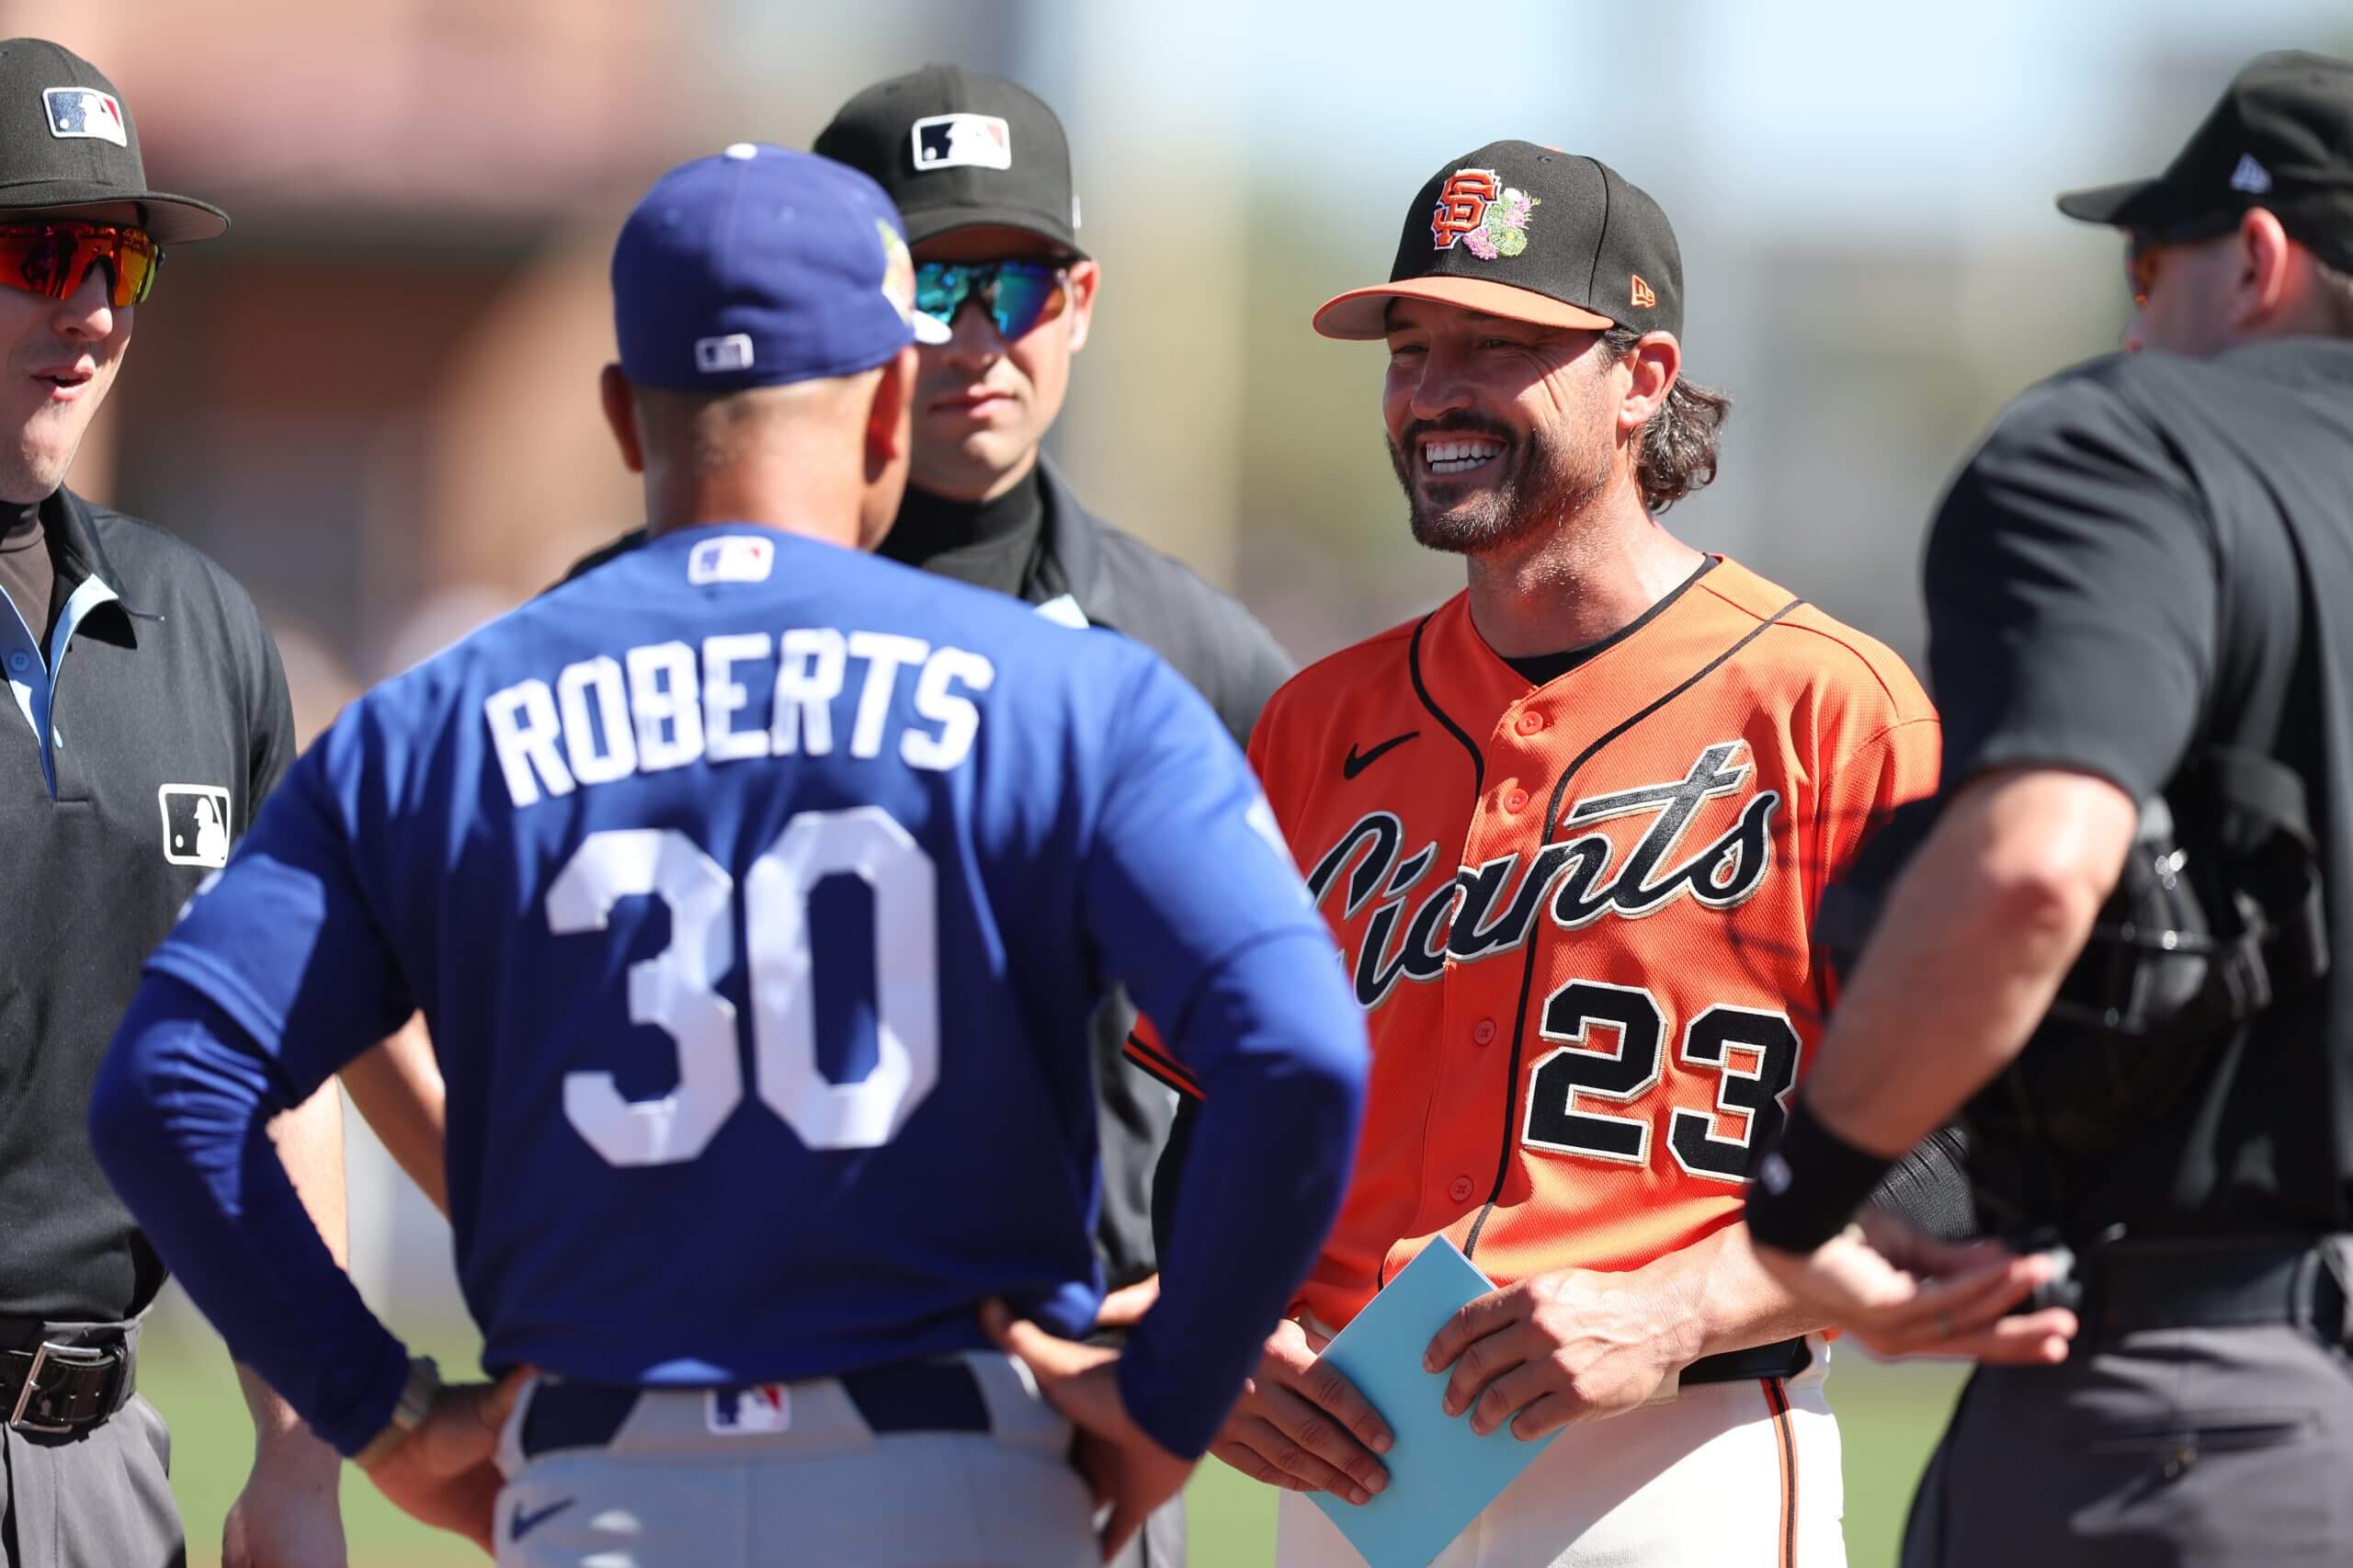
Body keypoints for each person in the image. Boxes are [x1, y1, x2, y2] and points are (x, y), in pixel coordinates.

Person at [85, 142, 1369, 1567]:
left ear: (627, 417)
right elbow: (1299, 1052)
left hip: (603, 1488)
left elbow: (167, 1082)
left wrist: (374, 1407)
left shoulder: (436, 720)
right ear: (890, 405)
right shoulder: (1077, 692)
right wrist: (1167, 1397)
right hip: (961, 1475)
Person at [1127, 141, 1944, 1567]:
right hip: (1353, 1454)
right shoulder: (1321, 721)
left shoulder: (1829, 706)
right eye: (1413, 345)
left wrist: (1683, 1306)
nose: (1436, 389)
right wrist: (1223, 1330)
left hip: (1673, 1446)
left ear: (1642, 376)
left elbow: (1960, 1153)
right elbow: (1218, 1113)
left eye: (1500, 346)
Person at [572, 74, 1300, 1563]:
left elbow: (1322, 1021)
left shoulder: (1189, 655)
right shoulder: (619, 630)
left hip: (1065, 1413)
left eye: (1015, 280)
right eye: (933, 284)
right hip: (686, 1406)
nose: (977, 334)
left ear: (1081, 300)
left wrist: (1204, 1311)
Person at [1745, 49, 2353, 1568]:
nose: (2138, 311)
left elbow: (2030, 869)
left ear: (2261, 258)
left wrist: (1804, 1201)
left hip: (2205, 1414)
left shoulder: (2134, 443)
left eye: (2154, 263)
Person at [0, 37, 361, 1568]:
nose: (89, 310)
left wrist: (299, 1453)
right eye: (40, 252)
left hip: (102, 1471)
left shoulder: (203, 628)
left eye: (122, 262)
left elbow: (272, 1064)